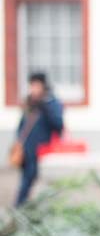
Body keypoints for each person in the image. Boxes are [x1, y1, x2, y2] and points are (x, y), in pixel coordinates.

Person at [12, 73, 63, 207]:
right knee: (26, 179)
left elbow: (58, 125)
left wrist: (46, 109)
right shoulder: (30, 103)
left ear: (43, 86)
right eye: (31, 86)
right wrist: (18, 142)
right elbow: (22, 126)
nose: (33, 89)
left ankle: (24, 207)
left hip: (41, 149)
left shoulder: (51, 103)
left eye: (36, 85)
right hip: (26, 149)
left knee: (36, 180)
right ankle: (21, 207)